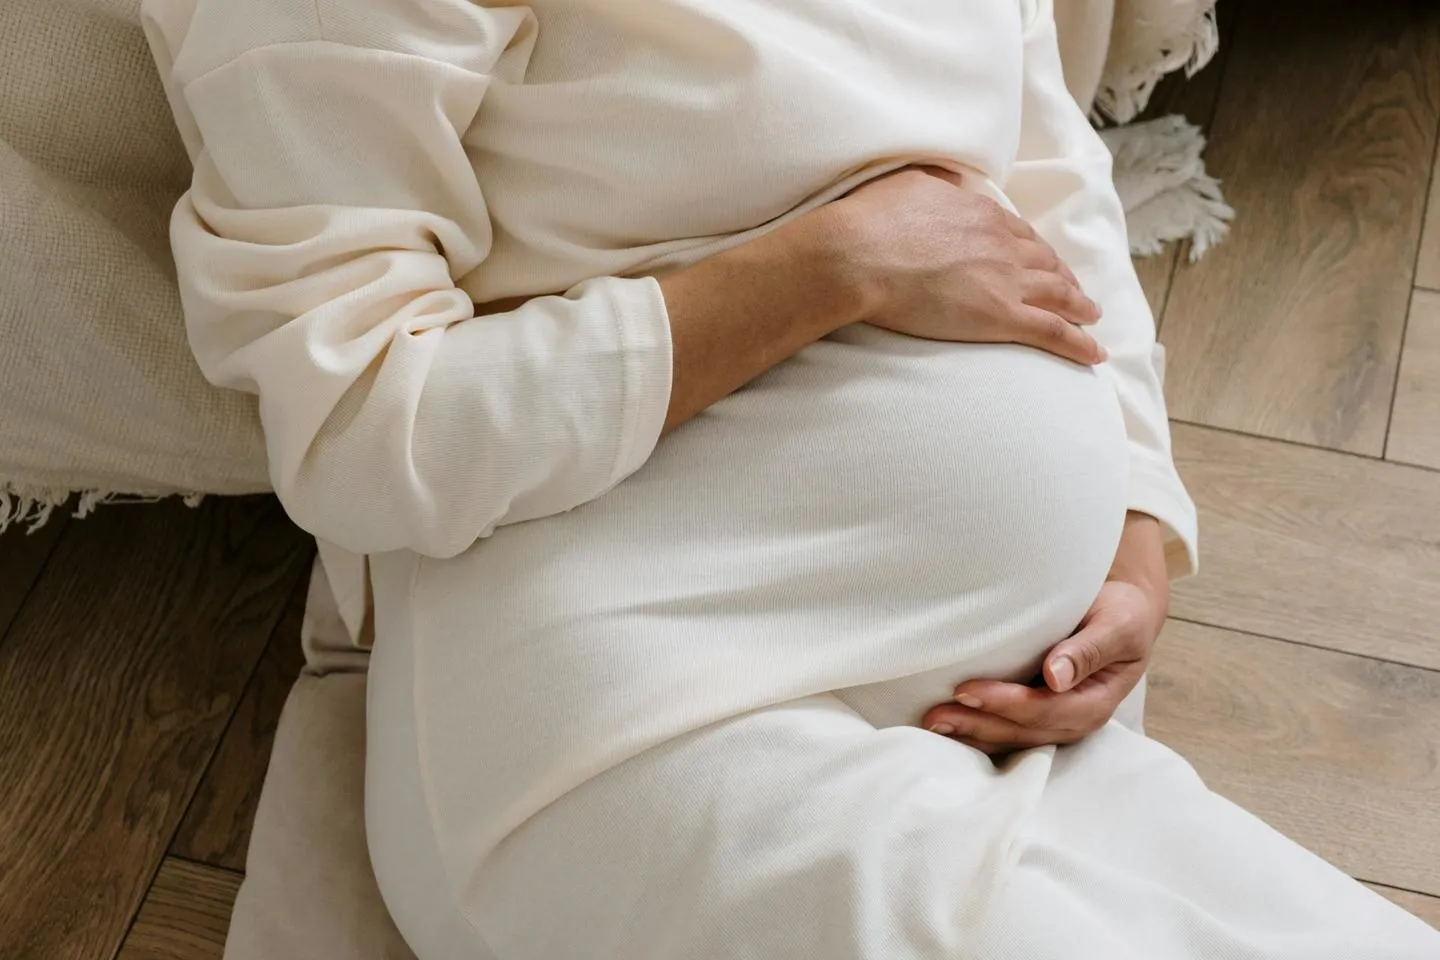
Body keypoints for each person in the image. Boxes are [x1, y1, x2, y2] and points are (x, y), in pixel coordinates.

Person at [142, 0, 1440, 956]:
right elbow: (361, 425)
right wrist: (831, 268)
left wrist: (1140, 525)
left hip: (1009, 705)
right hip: (635, 713)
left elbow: (1044, 174)